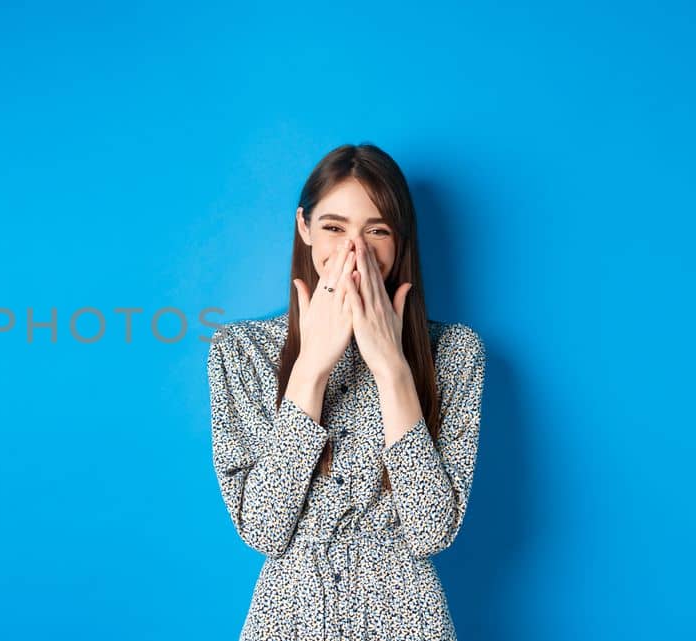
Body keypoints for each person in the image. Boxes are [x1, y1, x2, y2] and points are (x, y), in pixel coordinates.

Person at [208, 143, 487, 641]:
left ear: (400, 242)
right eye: (334, 228)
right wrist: (311, 368)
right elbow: (264, 530)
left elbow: (429, 531)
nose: (354, 252)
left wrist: (392, 367)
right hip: (289, 619)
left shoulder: (454, 351)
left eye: (376, 230)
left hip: (408, 620)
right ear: (304, 228)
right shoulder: (241, 350)